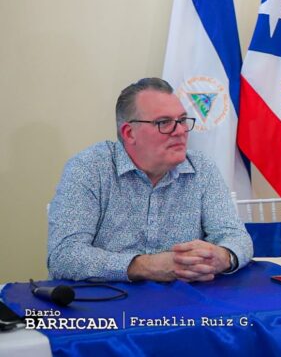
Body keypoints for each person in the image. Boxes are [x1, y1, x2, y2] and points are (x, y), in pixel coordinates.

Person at [48, 78, 253, 282]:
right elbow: (63, 256)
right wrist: (145, 266)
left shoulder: (202, 168)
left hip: (183, 298)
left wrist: (224, 256)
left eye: (182, 120)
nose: (180, 131)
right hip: (107, 297)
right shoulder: (89, 168)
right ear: (129, 133)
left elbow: (237, 238)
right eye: (164, 123)